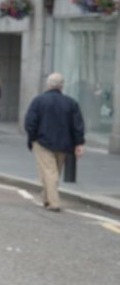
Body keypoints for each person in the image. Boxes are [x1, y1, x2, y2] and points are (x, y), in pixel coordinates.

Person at [24, 73, 86, 212]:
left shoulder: (39, 101)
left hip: (42, 142)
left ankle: (54, 202)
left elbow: (30, 123)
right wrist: (79, 143)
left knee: (49, 172)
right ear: (62, 86)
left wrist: (32, 138)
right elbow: (77, 125)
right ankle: (48, 197)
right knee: (53, 172)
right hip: (63, 144)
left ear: (48, 84)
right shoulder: (71, 103)